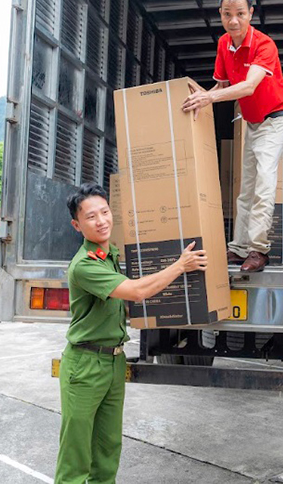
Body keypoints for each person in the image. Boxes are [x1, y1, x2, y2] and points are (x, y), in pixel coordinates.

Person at [55, 183, 208, 484]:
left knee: (108, 449)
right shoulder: (84, 265)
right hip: (85, 366)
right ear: (77, 225)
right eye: (91, 217)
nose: (101, 221)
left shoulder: (109, 255)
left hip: (113, 361)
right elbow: (136, 292)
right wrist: (180, 265)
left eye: (105, 212)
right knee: (76, 456)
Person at [181, 0, 283, 273]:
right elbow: (220, 85)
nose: (233, 21)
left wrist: (208, 98)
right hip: (253, 122)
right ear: (220, 14)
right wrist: (198, 98)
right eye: (227, 14)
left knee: (263, 183)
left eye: (240, 14)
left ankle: (259, 250)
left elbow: (248, 86)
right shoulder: (223, 44)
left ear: (251, 13)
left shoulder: (264, 45)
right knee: (246, 189)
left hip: (275, 120)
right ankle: (240, 247)